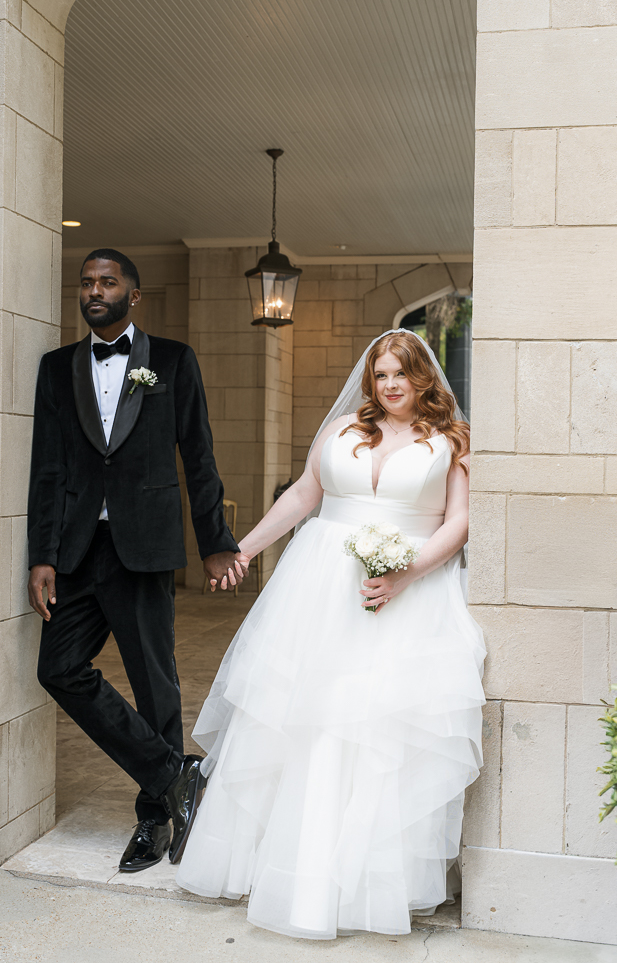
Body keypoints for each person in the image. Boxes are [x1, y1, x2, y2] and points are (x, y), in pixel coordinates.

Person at [176, 329, 486, 939]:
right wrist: (240, 550)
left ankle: (360, 885)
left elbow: (461, 521)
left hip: (406, 596)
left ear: (424, 376)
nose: (390, 385)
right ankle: (281, 869)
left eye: (401, 373)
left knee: (374, 729)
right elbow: (302, 496)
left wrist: (407, 573)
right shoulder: (344, 427)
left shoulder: (452, 440)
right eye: (380, 374)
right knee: (302, 720)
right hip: (317, 590)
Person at [27, 248, 246, 874]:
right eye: (87, 281)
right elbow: (47, 467)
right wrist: (42, 555)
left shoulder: (173, 361)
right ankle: (176, 775)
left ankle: (155, 817)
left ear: (133, 294)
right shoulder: (55, 368)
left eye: (107, 281)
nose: (95, 290)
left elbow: (198, 456)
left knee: (155, 682)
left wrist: (215, 542)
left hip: (144, 547)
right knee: (59, 667)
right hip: (74, 549)